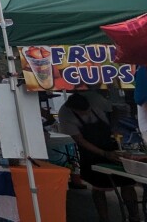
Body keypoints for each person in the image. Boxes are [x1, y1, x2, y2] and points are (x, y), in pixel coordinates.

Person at [59, 93, 140, 222]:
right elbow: (80, 140)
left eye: (88, 110)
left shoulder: (95, 99)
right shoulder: (65, 114)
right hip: (90, 152)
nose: (87, 114)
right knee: (98, 187)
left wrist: (115, 128)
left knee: (127, 183)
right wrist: (104, 154)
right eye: (82, 113)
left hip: (111, 144)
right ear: (73, 109)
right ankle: (104, 219)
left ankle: (134, 217)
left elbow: (114, 110)